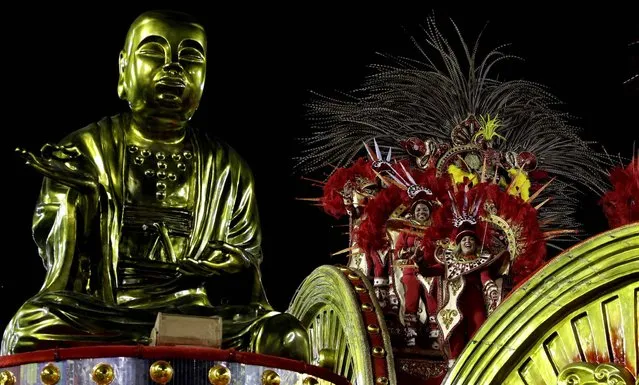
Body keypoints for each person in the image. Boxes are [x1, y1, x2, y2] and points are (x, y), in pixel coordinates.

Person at [3, 10, 309, 362]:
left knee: (283, 335)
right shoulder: (84, 151)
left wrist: (213, 265)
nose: (174, 68)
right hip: (105, 311)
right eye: (154, 52)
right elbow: (55, 253)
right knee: (32, 326)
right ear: (123, 69)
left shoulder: (226, 166)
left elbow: (246, 258)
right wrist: (82, 200)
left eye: (190, 57)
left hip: (192, 315)